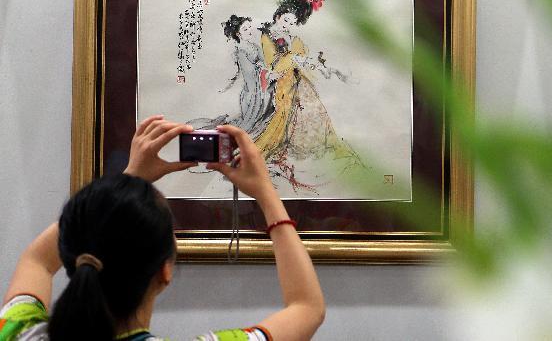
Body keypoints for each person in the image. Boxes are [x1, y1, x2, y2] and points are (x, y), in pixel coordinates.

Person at [1, 116, 326, 340]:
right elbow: (307, 309)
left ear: (73, 254)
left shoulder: (20, 332)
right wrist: (266, 192)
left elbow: (37, 262)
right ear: (165, 271)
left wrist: (125, 182)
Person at [253, 0, 360, 168]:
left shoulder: (291, 37)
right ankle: (296, 146)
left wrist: (306, 60)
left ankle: (311, 144)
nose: (287, 24)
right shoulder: (266, 35)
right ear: (278, 15)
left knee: (315, 107)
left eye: (292, 22)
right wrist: (294, 57)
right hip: (282, 81)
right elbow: (274, 63)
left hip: (298, 78)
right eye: (286, 19)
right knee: (290, 113)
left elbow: (301, 56)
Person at [190, 15, 278, 136]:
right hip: (253, 93)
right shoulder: (240, 52)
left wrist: (267, 70)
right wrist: (265, 72)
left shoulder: (255, 47)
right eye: (245, 29)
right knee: (245, 128)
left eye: (250, 28)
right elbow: (250, 73)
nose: (249, 31)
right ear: (238, 34)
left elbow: (264, 64)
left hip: (261, 86)